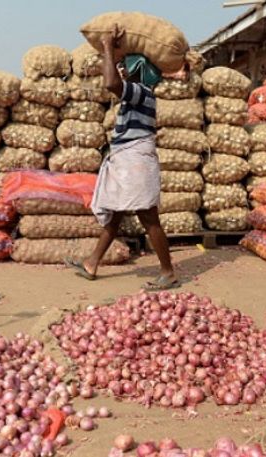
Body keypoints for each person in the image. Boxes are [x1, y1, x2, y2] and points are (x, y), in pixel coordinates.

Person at [65, 25, 179, 291]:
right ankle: (91, 263)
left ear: (140, 72)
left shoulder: (142, 93)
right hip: (126, 160)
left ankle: (168, 271)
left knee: (148, 216)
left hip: (136, 161)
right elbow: (115, 79)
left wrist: (106, 46)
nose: (123, 70)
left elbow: (110, 83)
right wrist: (114, 51)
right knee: (114, 214)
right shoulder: (136, 96)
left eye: (129, 67)